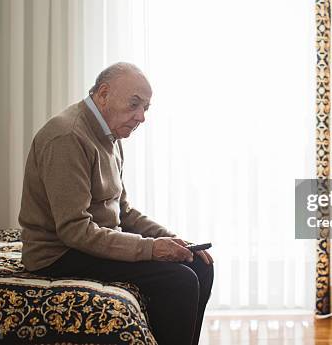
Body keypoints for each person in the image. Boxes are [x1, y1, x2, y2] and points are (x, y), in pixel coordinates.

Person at [18, 62, 213, 345]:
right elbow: (74, 231)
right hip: (58, 255)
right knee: (179, 280)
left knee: (200, 265)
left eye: (146, 108)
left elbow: (124, 210)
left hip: (89, 243)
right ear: (104, 94)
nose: (141, 117)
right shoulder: (68, 136)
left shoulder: (110, 135)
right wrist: (151, 249)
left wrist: (170, 239)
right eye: (135, 104)